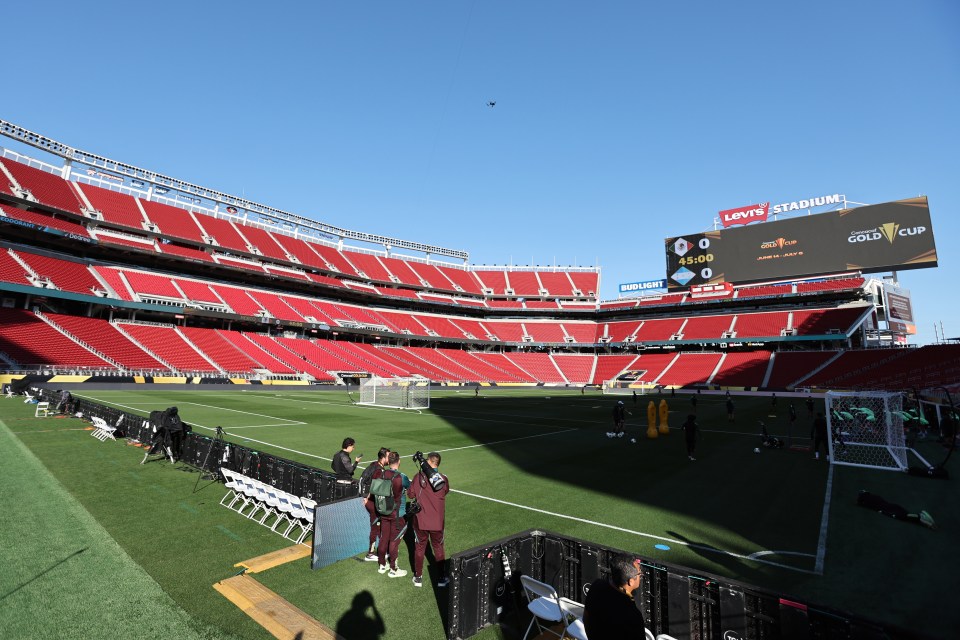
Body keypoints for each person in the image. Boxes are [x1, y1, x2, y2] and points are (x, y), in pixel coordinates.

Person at [407, 452, 450, 588]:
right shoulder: (443, 479)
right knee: (438, 547)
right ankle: (442, 578)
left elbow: (410, 494)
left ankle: (418, 577)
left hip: (420, 521)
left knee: (419, 548)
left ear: (430, 461)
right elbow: (445, 491)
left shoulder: (418, 477)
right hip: (437, 522)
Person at [583, 554, 646, 640]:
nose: (641, 575)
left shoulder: (597, 586)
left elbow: (586, 618)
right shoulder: (633, 615)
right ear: (630, 582)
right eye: (639, 574)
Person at [368, 451, 407, 577]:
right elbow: (410, 489)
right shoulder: (402, 476)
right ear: (399, 461)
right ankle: (393, 569)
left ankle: (381, 565)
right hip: (397, 514)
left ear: (388, 461)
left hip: (383, 511)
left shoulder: (382, 473)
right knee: (394, 541)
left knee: (384, 538)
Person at [360, 448, 391, 562]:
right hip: (373, 503)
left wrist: (364, 496)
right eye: (388, 456)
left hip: (370, 502)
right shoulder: (379, 470)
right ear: (383, 458)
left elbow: (363, 479)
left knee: (377, 526)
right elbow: (375, 489)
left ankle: (380, 549)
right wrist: (367, 498)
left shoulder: (373, 465)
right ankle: (370, 553)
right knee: (375, 527)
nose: (390, 459)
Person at [857, 491, 936, 529]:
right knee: (907, 516)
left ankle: (920, 516)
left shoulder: (868, 501)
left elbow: (863, 503)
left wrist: (883, 512)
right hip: (893, 505)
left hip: (888, 509)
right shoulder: (875, 496)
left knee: (903, 517)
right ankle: (926, 522)